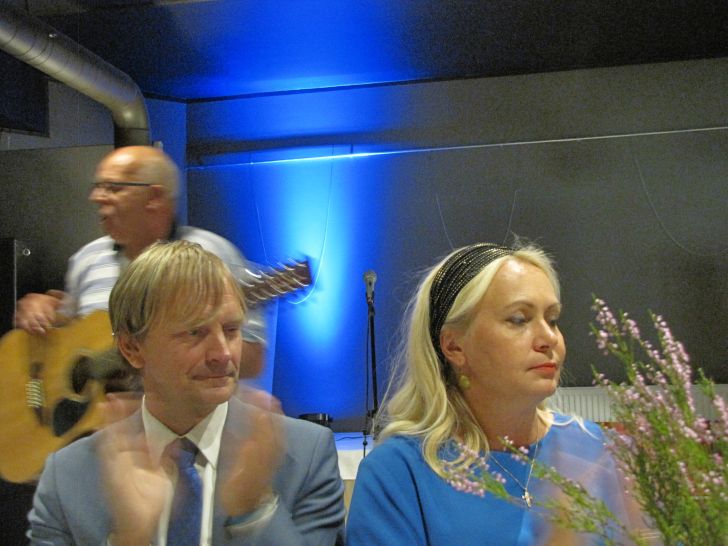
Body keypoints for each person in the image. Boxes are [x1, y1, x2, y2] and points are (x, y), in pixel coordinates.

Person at [27, 240, 346, 544]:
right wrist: (129, 540)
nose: (223, 353)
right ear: (132, 348)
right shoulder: (65, 478)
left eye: (231, 330)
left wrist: (255, 513)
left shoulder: (306, 456)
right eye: (194, 332)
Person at [346, 242, 649, 545]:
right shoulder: (398, 474)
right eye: (519, 319)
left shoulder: (597, 450)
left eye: (552, 319)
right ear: (454, 346)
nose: (548, 338)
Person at [14, 145, 265, 377]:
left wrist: (181, 356)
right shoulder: (87, 258)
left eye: (113, 188)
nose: (96, 197)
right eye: (98, 186)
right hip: (93, 412)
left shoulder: (213, 256)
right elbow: (71, 336)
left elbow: (252, 361)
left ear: (154, 196)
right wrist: (45, 311)